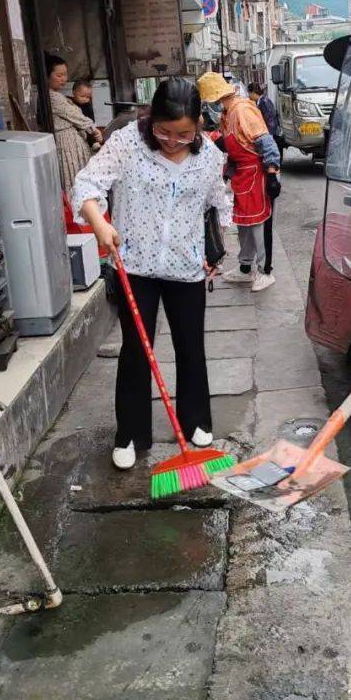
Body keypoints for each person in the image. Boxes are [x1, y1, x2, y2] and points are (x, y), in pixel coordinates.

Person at [72, 79, 231, 470]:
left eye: (183, 133)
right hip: (135, 266)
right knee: (136, 350)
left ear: (197, 126)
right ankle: (130, 434)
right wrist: (100, 223)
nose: (173, 141)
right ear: (150, 118)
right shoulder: (127, 144)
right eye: (164, 131)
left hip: (186, 267)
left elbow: (217, 204)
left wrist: (215, 251)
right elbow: (86, 184)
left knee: (191, 347)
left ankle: (196, 421)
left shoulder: (209, 155)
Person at [196, 71, 281, 292]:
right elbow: (231, 145)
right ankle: (246, 268)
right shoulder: (227, 113)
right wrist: (226, 171)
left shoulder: (243, 110)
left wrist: (272, 174)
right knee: (244, 224)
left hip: (258, 174)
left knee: (259, 226)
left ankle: (265, 270)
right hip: (242, 176)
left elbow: (265, 142)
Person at [45, 54, 100, 193]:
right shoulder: (52, 97)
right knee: (76, 187)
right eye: (59, 75)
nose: (64, 79)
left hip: (73, 145)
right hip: (67, 147)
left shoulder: (58, 95)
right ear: (47, 75)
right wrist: (93, 129)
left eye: (65, 74)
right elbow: (76, 116)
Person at [249, 81, 282, 276]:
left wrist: (266, 142)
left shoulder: (264, 103)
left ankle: (265, 267)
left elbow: (269, 124)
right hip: (267, 147)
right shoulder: (261, 102)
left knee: (266, 219)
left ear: (254, 93)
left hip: (268, 146)